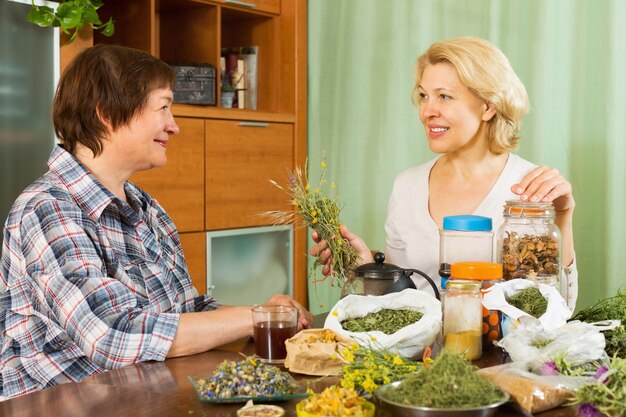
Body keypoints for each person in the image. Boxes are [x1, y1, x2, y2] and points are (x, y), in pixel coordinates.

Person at [0, 44, 312, 399]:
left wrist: (266, 315)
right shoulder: (48, 210)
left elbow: (185, 310)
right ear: (106, 113)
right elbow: (111, 336)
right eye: (163, 107)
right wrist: (255, 317)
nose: (173, 126)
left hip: (143, 397)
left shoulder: (146, 208)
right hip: (56, 404)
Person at [311, 37, 577, 308]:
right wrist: (366, 265)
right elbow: (400, 297)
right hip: (418, 350)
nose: (427, 111)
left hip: (498, 349)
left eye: (445, 97)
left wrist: (563, 217)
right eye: (424, 96)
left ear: (488, 106)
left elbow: (558, 307)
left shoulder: (530, 188)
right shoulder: (407, 185)